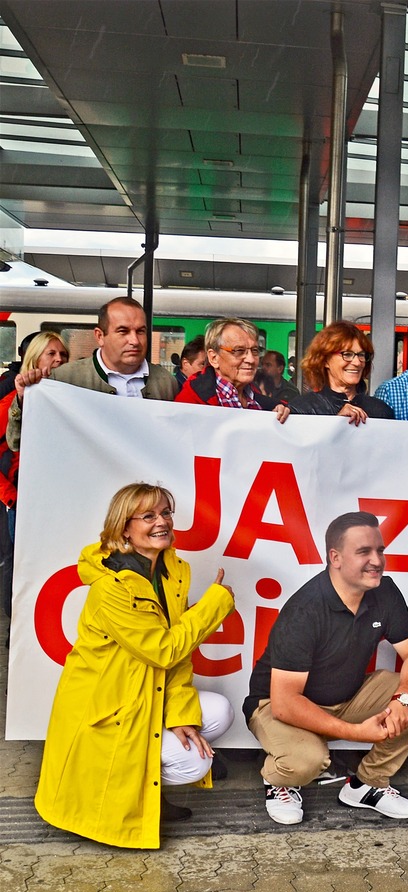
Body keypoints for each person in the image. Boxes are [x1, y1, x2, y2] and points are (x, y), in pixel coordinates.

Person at [34, 483, 235, 848]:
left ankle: (149, 797)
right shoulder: (111, 586)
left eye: (166, 513)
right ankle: (116, 806)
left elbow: (178, 656)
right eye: (148, 516)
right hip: (109, 708)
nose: (162, 522)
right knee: (195, 764)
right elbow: (163, 649)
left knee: (218, 711)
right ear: (124, 528)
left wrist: (179, 712)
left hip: (149, 690)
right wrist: (214, 605)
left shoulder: (171, 571)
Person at [243, 511, 408, 825]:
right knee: (308, 760)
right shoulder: (305, 609)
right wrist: (356, 733)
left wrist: (401, 699)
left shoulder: (384, 591)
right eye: (364, 552)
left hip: (344, 698)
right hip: (276, 705)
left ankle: (368, 784)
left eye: (380, 551)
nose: (377, 560)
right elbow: (284, 703)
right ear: (335, 558)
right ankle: (279, 781)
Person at [7, 296, 179, 450]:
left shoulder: (165, 382)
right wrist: (23, 401)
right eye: (123, 331)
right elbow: (18, 443)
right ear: (99, 336)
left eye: (140, 331)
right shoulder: (64, 379)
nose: (134, 340)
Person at [0, 332, 69, 618]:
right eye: (51, 354)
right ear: (34, 359)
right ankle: (15, 626)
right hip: (23, 498)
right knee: (19, 564)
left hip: (54, 499)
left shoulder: (69, 392)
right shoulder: (10, 400)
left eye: (63, 355)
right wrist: (10, 496)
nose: (59, 360)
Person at [175, 317, 289, 422]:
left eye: (254, 351)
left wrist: (284, 413)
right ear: (214, 358)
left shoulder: (259, 399)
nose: (251, 359)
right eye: (238, 351)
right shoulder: (191, 401)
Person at [287, 322, 394, 425]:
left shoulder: (381, 411)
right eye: (347, 354)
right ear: (325, 360)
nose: (357, 362)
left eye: (361, 355)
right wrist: (338, 423)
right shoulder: (301, 409)